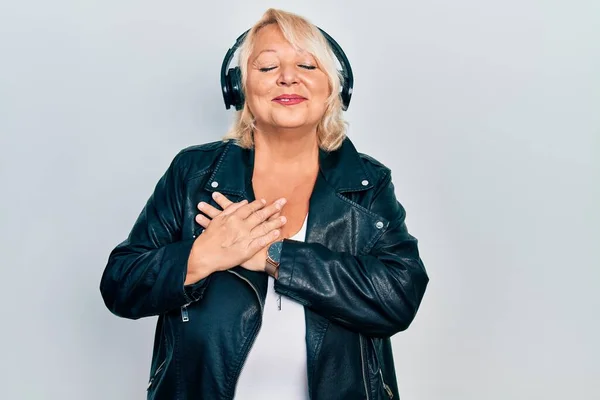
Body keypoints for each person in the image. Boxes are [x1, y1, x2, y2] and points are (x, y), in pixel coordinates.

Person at [100, 7, 429, 400]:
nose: (288, 77)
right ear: (239, 90)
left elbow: (399, 296)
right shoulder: (193, 174)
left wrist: (274, 256)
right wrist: (202, 255)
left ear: (333, 90)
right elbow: (121, 285)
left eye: (307, 65)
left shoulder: (367, 182)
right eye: (268, 66)